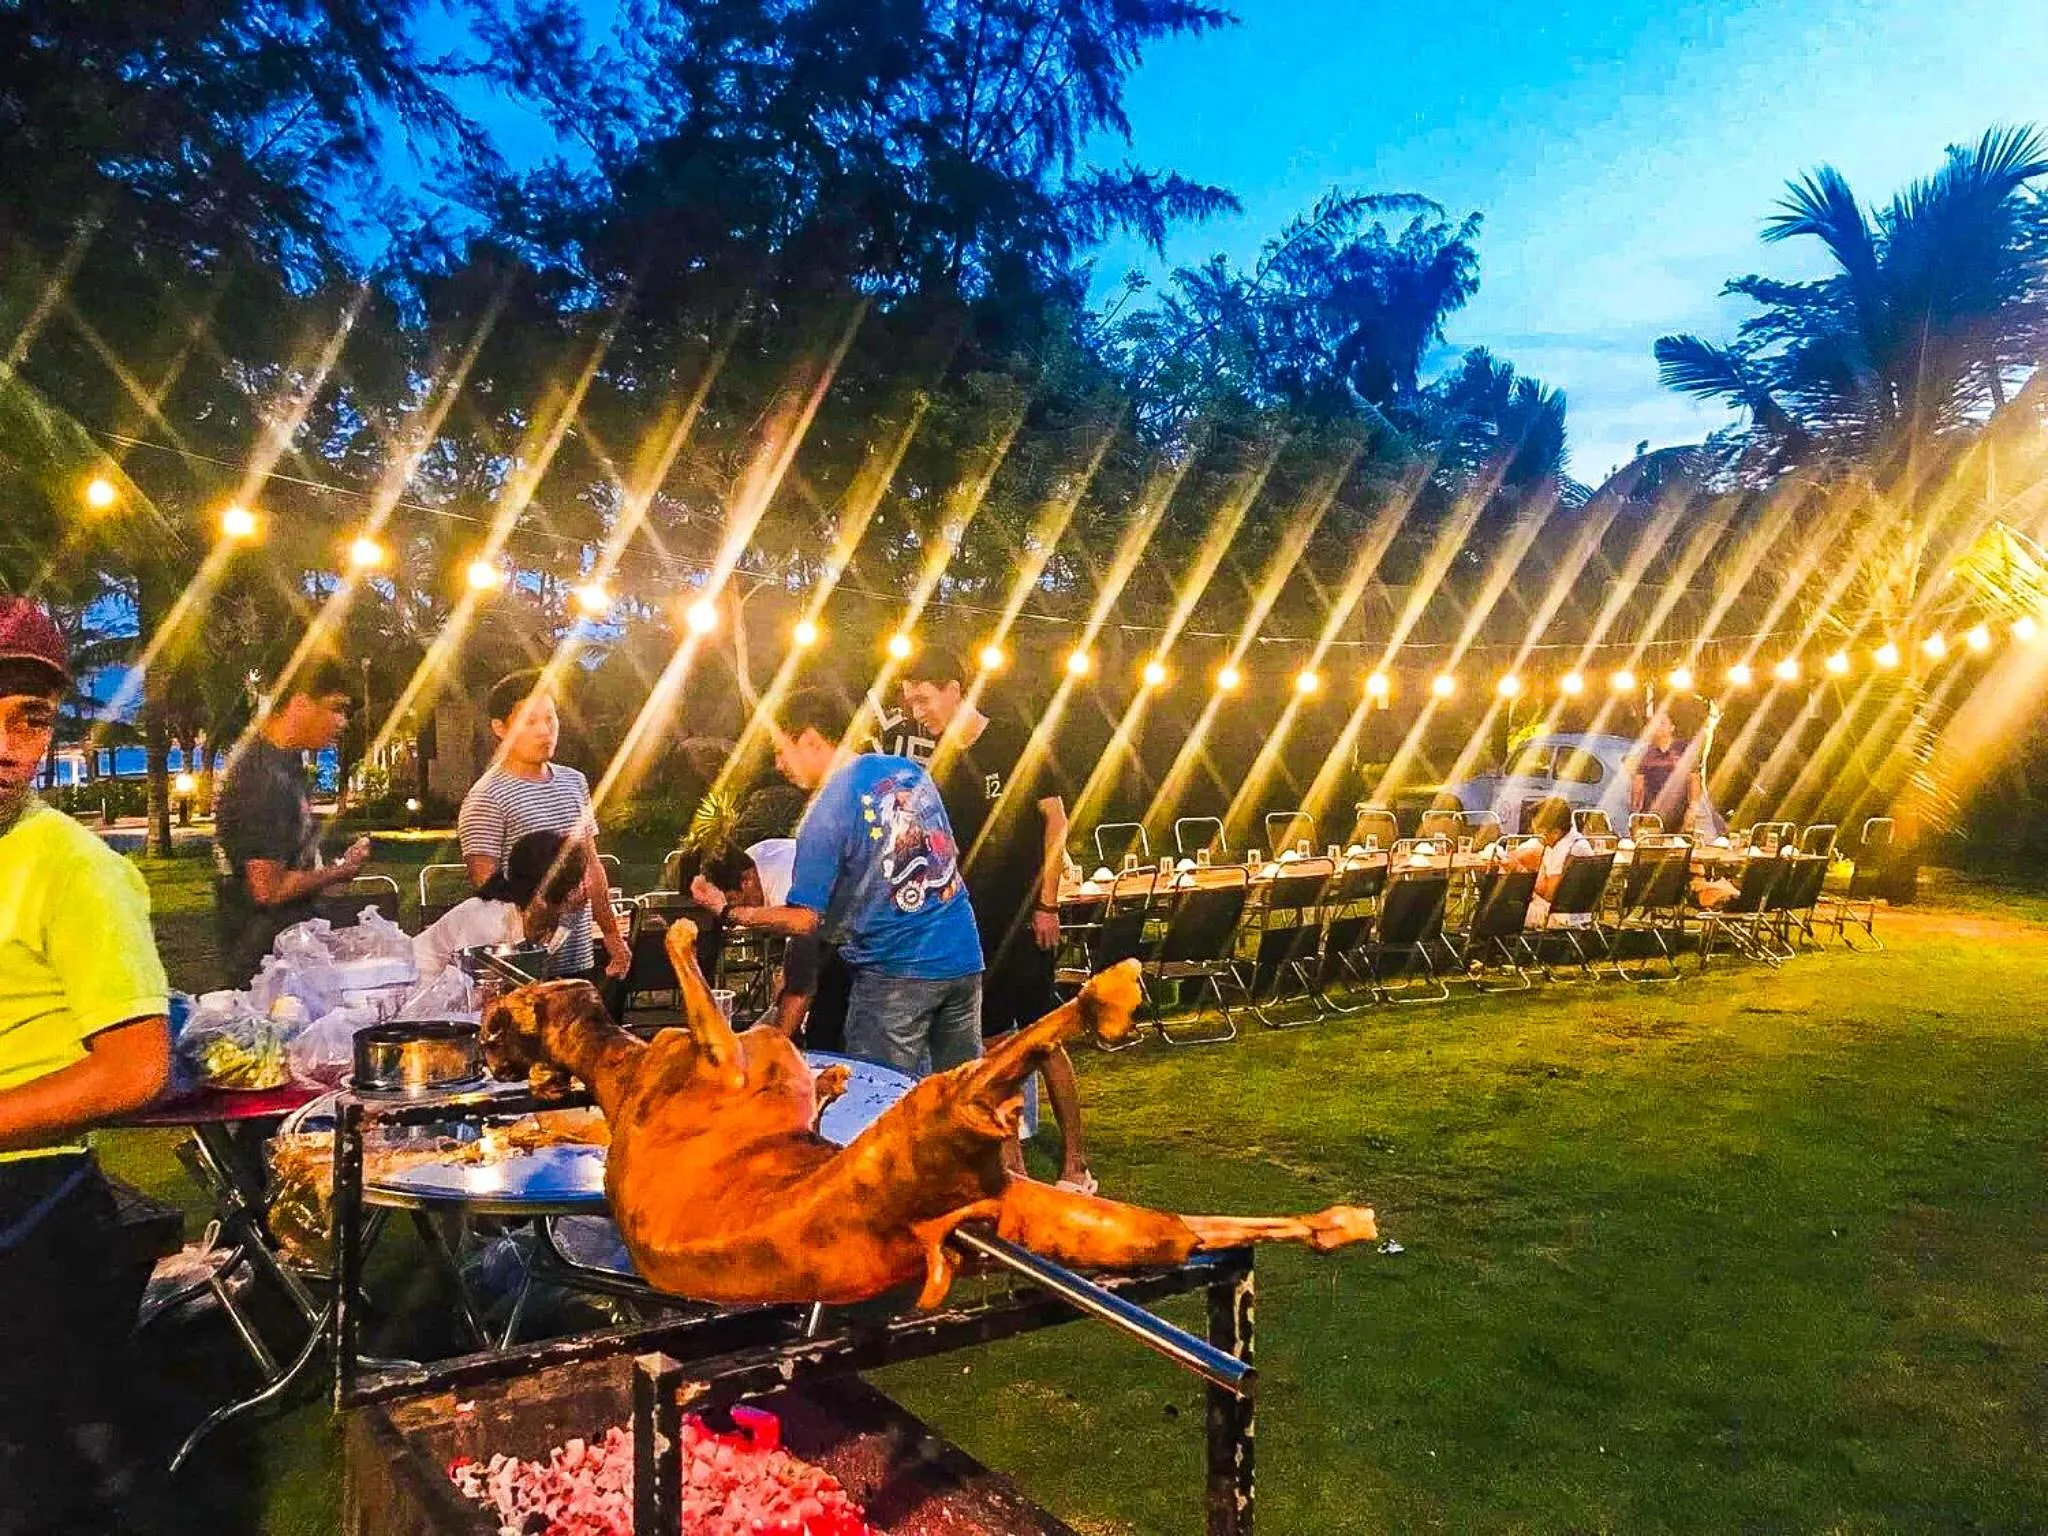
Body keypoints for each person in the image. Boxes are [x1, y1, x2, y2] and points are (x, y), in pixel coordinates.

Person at [0, 598, 176, 1534]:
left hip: (33, 1213)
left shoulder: (76, 871)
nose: (9, 748)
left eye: (30, 721)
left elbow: (135, 1070)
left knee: (46, 1483)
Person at [901, 652, 1094, 1192]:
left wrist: (1048, 904)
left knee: (1042, 1040)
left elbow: (1055, 823)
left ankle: (1077, 1164)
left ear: (955, 689)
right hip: (970, 924)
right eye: (910, 702)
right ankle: (1016, 1171)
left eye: (923, 697)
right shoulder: (937, 763)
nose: (918, 712)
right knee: (991, 1049)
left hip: (1026, 916)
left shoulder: (1013, 740)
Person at [725, 687, 983, 1076]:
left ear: (810, 739)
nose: (779, 764)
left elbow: (804, 921)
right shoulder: (908, 771)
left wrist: (734, 912)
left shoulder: (824, 812)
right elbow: (949, 853)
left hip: (895, 972)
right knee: (963, 1098)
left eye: (781, 749)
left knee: (880, 1100)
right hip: (962, 955)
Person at [458, 671, 630, 1006]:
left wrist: (611, 935)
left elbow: (591, 863)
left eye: (550, 719)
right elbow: (488, 889)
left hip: (579, 958)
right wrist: (543, 912)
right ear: (500, 729)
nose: (544, 730)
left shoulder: (573, 782)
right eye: (530, 721)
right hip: (522, 969)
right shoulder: (486, 798)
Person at [213, 657, 372, 986]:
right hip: (267, 968)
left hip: (289, 955)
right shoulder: (262, 777)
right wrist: (338, 872)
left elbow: (284, 862)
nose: (342, 722)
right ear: (300, 702)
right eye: (336, 708)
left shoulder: (285, 764)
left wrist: (334, 868)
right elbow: (267, 888)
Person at [413, 829, 590, 985]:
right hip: (414, 992)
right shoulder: (490, 919)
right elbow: (476, 989)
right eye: (575, 881)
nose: (584, 887)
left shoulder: (543, 918)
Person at [685, 841, 819, 1040]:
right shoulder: (751, 860)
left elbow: (803, 976)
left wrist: (774, 1044)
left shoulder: (787, 881)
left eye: (732, 901)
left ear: (746, 880)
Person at [1514, 794, 1596, 929]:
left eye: (1539, 831)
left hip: (1560, 916)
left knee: (1499, 910)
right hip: (1581, 913)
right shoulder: (1575, 840)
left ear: (1556, 832)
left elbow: (1550, 895)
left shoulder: (1565, 849)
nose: (1536, 835)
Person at [1631, 711, 1702, 832]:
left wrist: (1694, 807)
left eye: (1662, 723)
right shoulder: (1645, 752)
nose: (1658, 726)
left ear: (1672, 728)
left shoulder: (1684, 748)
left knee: (1679, 846)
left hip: (1679, 812)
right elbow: (1638, 783)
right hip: (1651, 814)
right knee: (1653, 847)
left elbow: (1694, 779)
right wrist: (1634, 814)